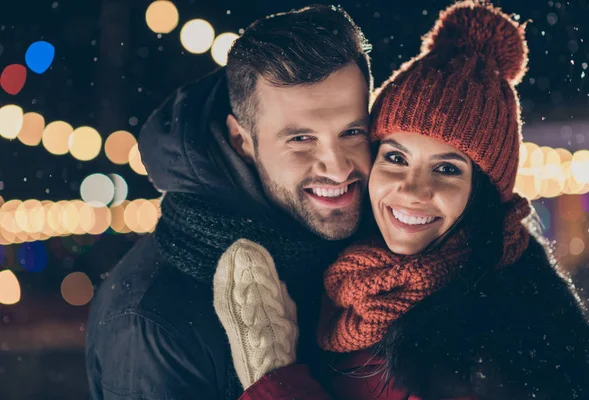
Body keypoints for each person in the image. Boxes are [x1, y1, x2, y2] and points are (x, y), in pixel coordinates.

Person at [213, 2, 589, 399]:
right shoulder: (351, 281)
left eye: (447, 169)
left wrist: (275, 377)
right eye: (396, 158)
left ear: (483, 192)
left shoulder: (505, 340)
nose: (412, 190)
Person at [85, 5, 374, 400]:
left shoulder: (365, 252)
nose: (339, 168)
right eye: (301, 139)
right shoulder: (153, 317)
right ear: (242, 140)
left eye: (352, 131)